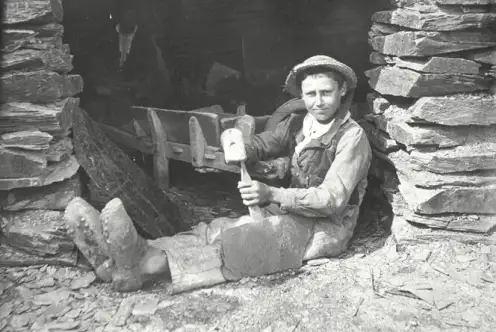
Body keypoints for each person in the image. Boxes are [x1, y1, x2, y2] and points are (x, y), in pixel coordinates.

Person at [65, 55, 372, 293]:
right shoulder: (300, 123)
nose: (317, 102)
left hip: (326, 227)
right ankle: (120, 260)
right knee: (214, 229)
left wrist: (273, 194)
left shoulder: (351, 137)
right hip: (292, 211)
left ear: (342, 90)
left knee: (240, 243)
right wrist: (240, 143)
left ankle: (145, 265)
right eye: (310, 94)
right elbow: (264, 142)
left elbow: (332, 199)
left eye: (326, 93)